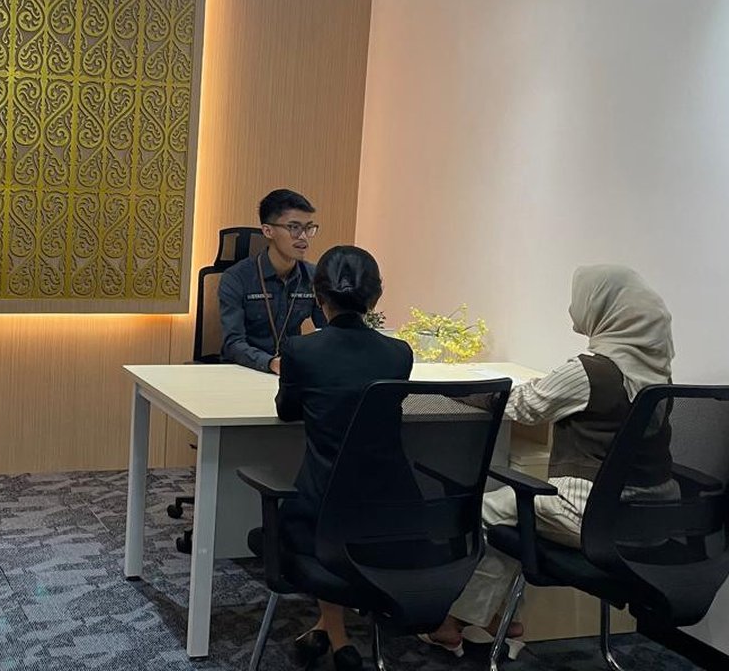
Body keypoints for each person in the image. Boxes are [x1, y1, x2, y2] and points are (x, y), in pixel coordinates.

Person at [425, 265, 678, 656]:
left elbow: (521, 406)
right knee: (513, 510)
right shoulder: (658, 376)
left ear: (603, 307)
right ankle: (492, 619)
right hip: (648, 520)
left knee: (481, 512)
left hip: (589, 514)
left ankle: (456, 621)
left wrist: (459, 389)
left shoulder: (590, 371)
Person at [275, 245, 414, 671]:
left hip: (318, 517)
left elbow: (288, 410)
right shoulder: (399, 353)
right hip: (389, 516)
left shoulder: (301, 351)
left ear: (319, 297)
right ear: (376, 297)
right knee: (344, 511)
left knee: (327, 508)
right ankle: (332, 631)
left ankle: (334, 632)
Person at [219, 189, 328, 374]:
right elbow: (233, 344)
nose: (303, 237)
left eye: (308, 228)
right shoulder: (236, 278)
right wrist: (270, 363)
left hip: (291, 371)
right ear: (268, 231)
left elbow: (326, 330)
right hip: (243, 371)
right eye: (294, 227)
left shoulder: (314, 276)